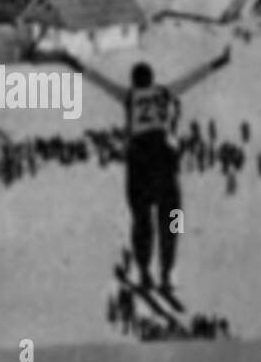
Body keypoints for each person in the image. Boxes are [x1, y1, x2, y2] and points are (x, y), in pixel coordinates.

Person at [64, 46, 231, 293]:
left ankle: (143, 271)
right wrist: (218, 62)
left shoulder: (129, 96)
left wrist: (74, 64)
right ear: (152, 79)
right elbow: (192, 78)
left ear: (134, 81)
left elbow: (99, 81)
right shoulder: (164, 92)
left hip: (139, 159)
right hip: (163, 157)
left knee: (141, 220)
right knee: (173, 218)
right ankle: (167, 271)